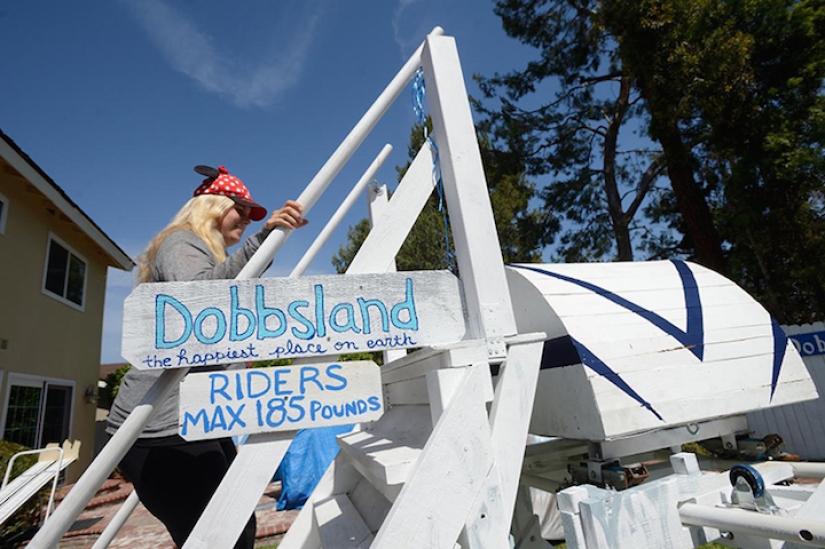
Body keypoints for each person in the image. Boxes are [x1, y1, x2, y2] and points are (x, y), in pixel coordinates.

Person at [106, 165, 308, 549]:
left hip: (193, 422)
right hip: (162, 429)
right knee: (220, 537)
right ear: (212, 206)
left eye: (252, 217)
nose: (247, 220)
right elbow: (202, 301)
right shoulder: (180, 242)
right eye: (241, 210)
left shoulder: (200, 252)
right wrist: (265, 240)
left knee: (235, 529)